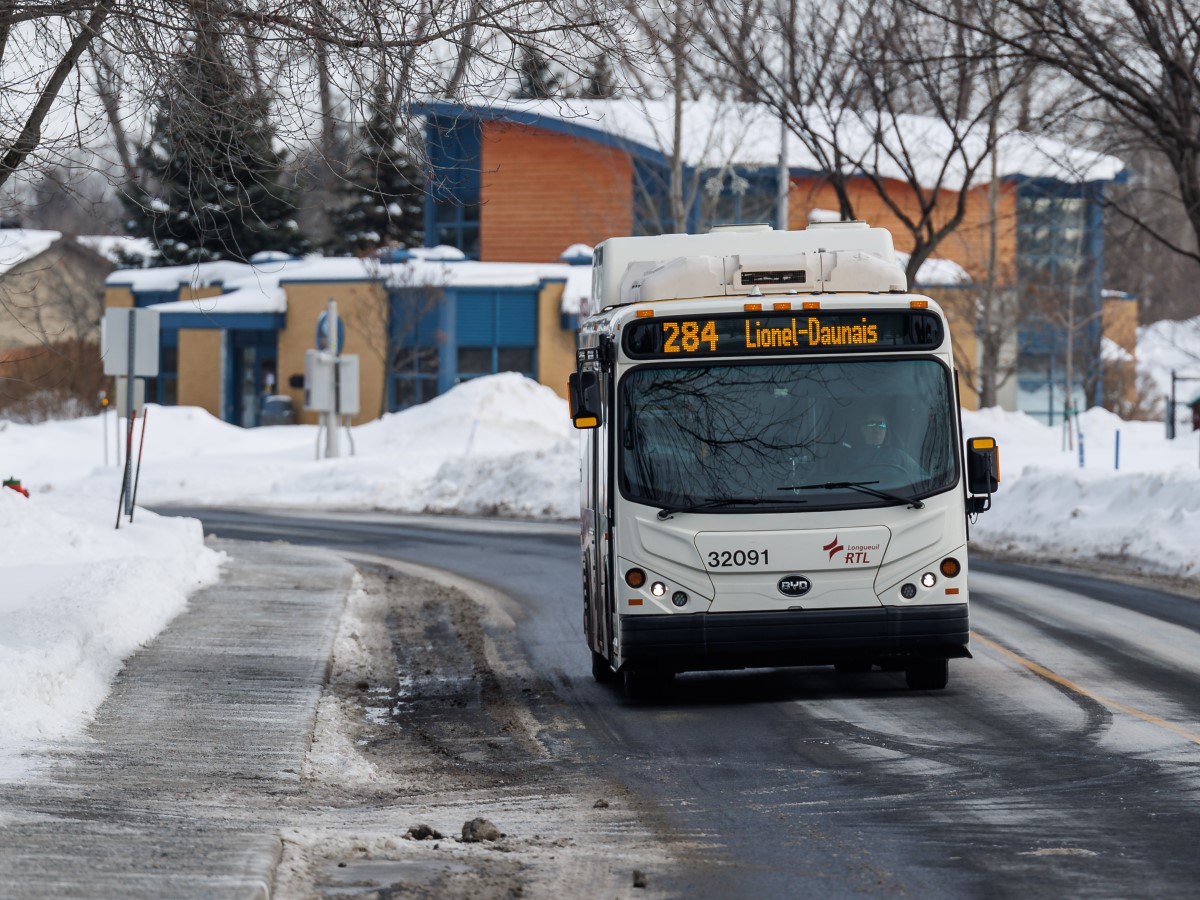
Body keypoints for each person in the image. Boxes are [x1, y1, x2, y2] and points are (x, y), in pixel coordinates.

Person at [846, 407, 922, 483]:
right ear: (862, 429)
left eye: (882, 425)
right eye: (872, 424)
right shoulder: (852, 458)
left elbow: (922, 476)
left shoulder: (898, 455)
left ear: (886, 431)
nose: (877, 429)